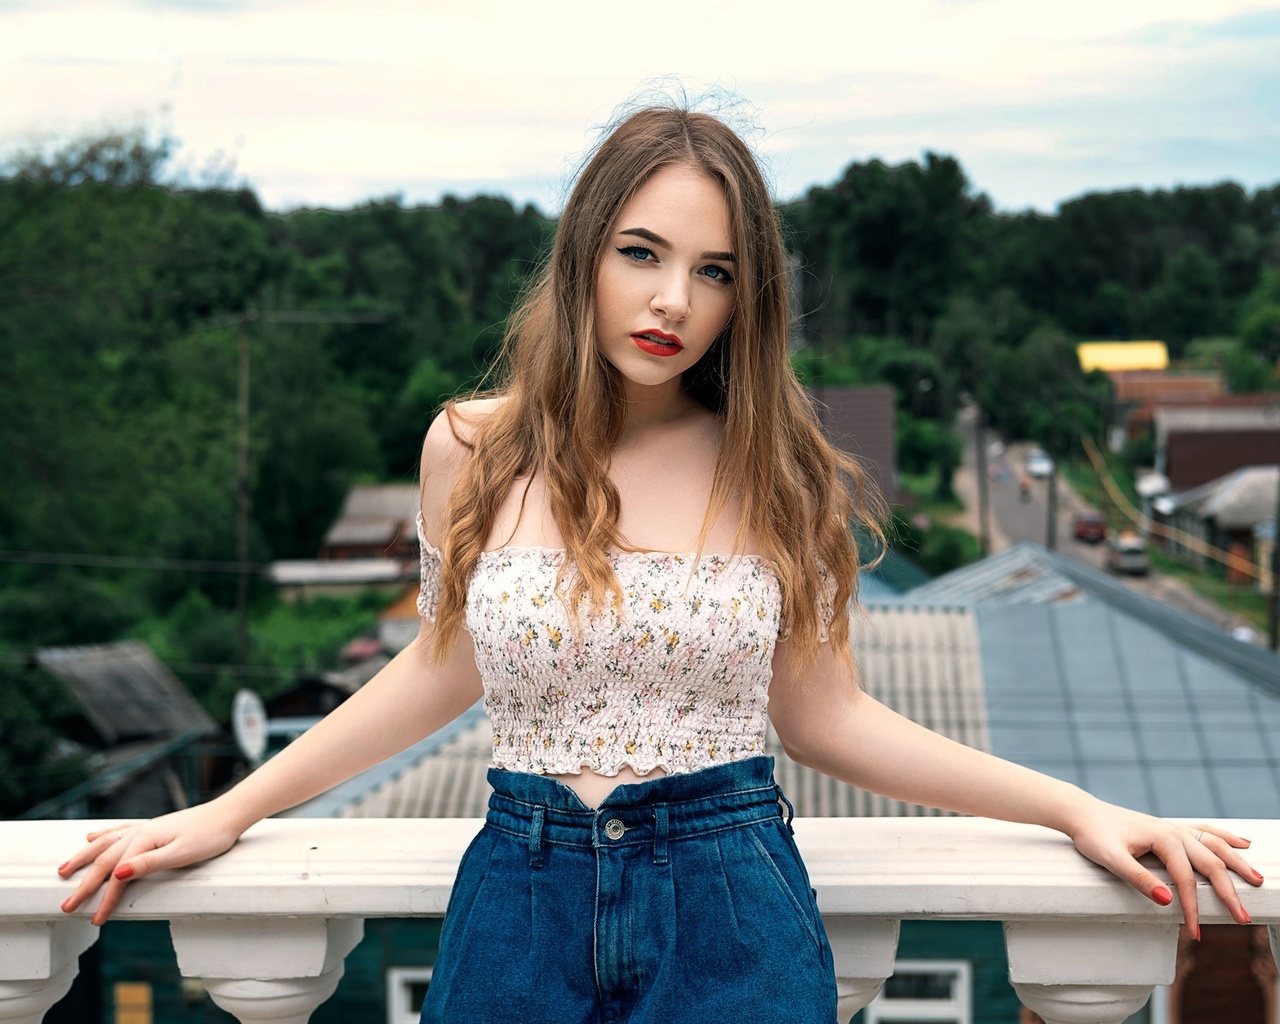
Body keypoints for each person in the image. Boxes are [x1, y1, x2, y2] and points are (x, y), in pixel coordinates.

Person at [57, 105, 1261, 1023]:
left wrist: (1075, 805)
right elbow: (437, 671)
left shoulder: (778, 469)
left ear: (749, 296)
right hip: (515, 901)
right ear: (585, 252)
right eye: (642, 252)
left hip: (729, 897)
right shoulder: (468, 448)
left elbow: (825, 716)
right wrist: (227, 808)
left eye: (714, 270)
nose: (671, 299)